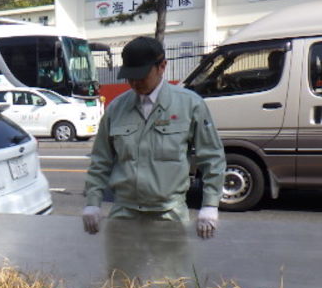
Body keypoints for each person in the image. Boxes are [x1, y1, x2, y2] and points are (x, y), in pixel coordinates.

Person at [82, 36, 225, 240]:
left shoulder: (190, 105)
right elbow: (100, 160)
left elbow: (212, 157)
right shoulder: (116, 109)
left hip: (169, 214)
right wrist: (92, 202)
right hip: (124, 213)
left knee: (169, 271)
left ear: (162, 66)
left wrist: (210, 205)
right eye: (130, 77)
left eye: (141, 76)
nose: (134, 82)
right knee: (121, 271)